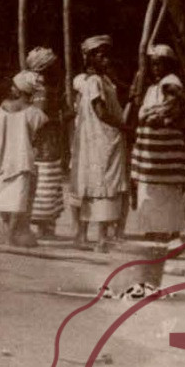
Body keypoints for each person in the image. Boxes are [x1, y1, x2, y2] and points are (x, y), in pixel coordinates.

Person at [130, 44, 185, 241]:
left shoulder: (170, 82)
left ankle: (166, 235)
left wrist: (165, 118)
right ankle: (156, 233)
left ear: (169, 65)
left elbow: (184, 103)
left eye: (160, 64)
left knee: (164, 194)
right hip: (152, 153)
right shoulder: (152, 88)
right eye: (153, 64)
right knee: (152, 193)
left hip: (164, 152)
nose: (156, 68)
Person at [71, 35, 128, 251]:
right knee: (104, 185)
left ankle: (84, 236)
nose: (106, 61)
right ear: (90, 58)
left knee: (95, 185)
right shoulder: (93, 81)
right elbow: (101, 112)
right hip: (102, 139)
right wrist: (123, 127)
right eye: (101, 57)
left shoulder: (102, 81)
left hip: (102, 139)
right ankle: (102, 239)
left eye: (107, 57)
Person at [0, 71, 48, 246]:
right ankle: (9, 239)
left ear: (19, 91)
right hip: (22, 161)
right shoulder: (32, 112)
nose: (11, 89)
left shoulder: (4, 106)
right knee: (17, 203)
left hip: (4, 159)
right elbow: (41, 123)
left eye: (14, 86)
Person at [25, 47, 68, 239]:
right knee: (46, 184)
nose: (58, 69)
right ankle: (44, 228)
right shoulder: (42, 89)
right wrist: (62, 117)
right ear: (45, 69)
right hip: (45, 144)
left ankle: (45, 227)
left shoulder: (36, 86)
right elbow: (40, 116)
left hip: (44, 144)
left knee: (47, 184)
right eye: (54, 66)